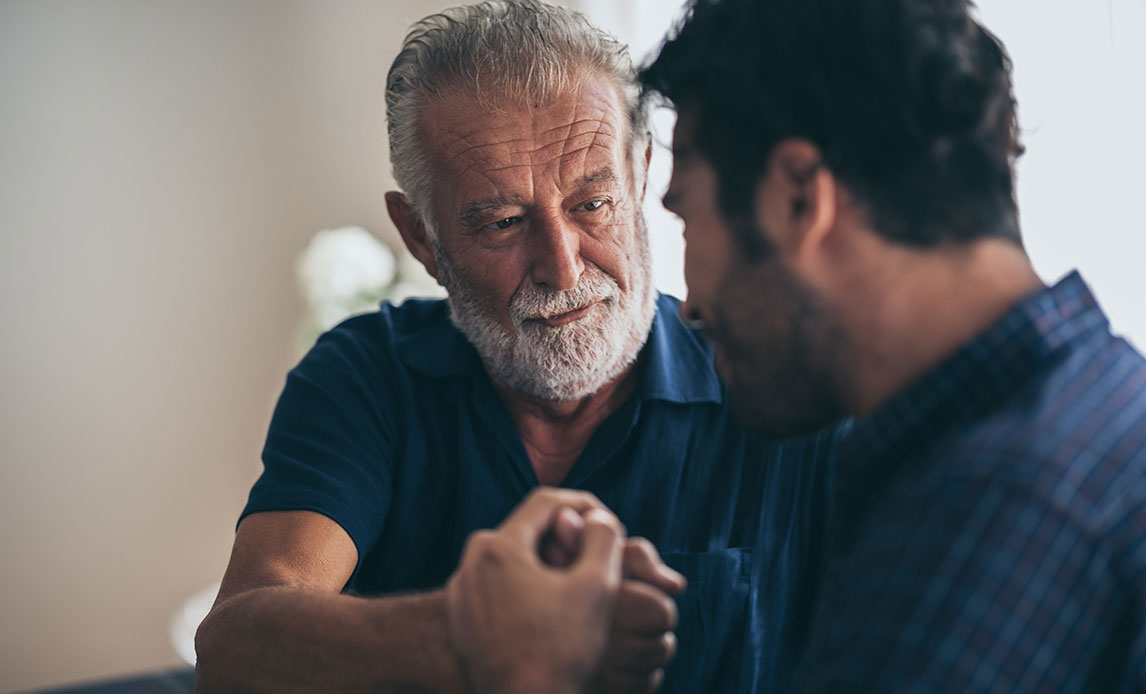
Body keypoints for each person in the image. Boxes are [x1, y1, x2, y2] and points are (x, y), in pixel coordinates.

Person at [444, 0, 1146, 691]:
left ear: (798, 198)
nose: (690, 305)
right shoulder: (1107, 401)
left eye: (687, 215)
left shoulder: (989, 515)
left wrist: (526, 670)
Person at [194, 2, 839, 692]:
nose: (563, 268)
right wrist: (477, 638)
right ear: (421, 239)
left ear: (643, 173)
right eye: (503, 222)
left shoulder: (781, 386)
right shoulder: (367, 375)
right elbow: (236, 645)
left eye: (592, 204)